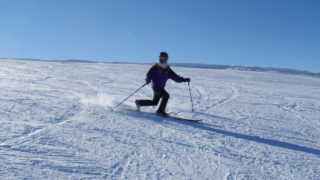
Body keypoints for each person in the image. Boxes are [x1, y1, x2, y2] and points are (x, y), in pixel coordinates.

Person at [135, 52, 190, 116]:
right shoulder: (155, 67)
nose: (165, 60)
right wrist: (148, 80)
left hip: (161, 87)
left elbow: (175, 76)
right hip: (156, 86)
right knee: (166, 96)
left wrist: (183, 80)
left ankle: (139, 102)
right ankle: (160, 111)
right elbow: (149, 74)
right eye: (164, 59)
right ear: (160, 58)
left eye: (166, 59)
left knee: (154, 102)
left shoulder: (167, 69)